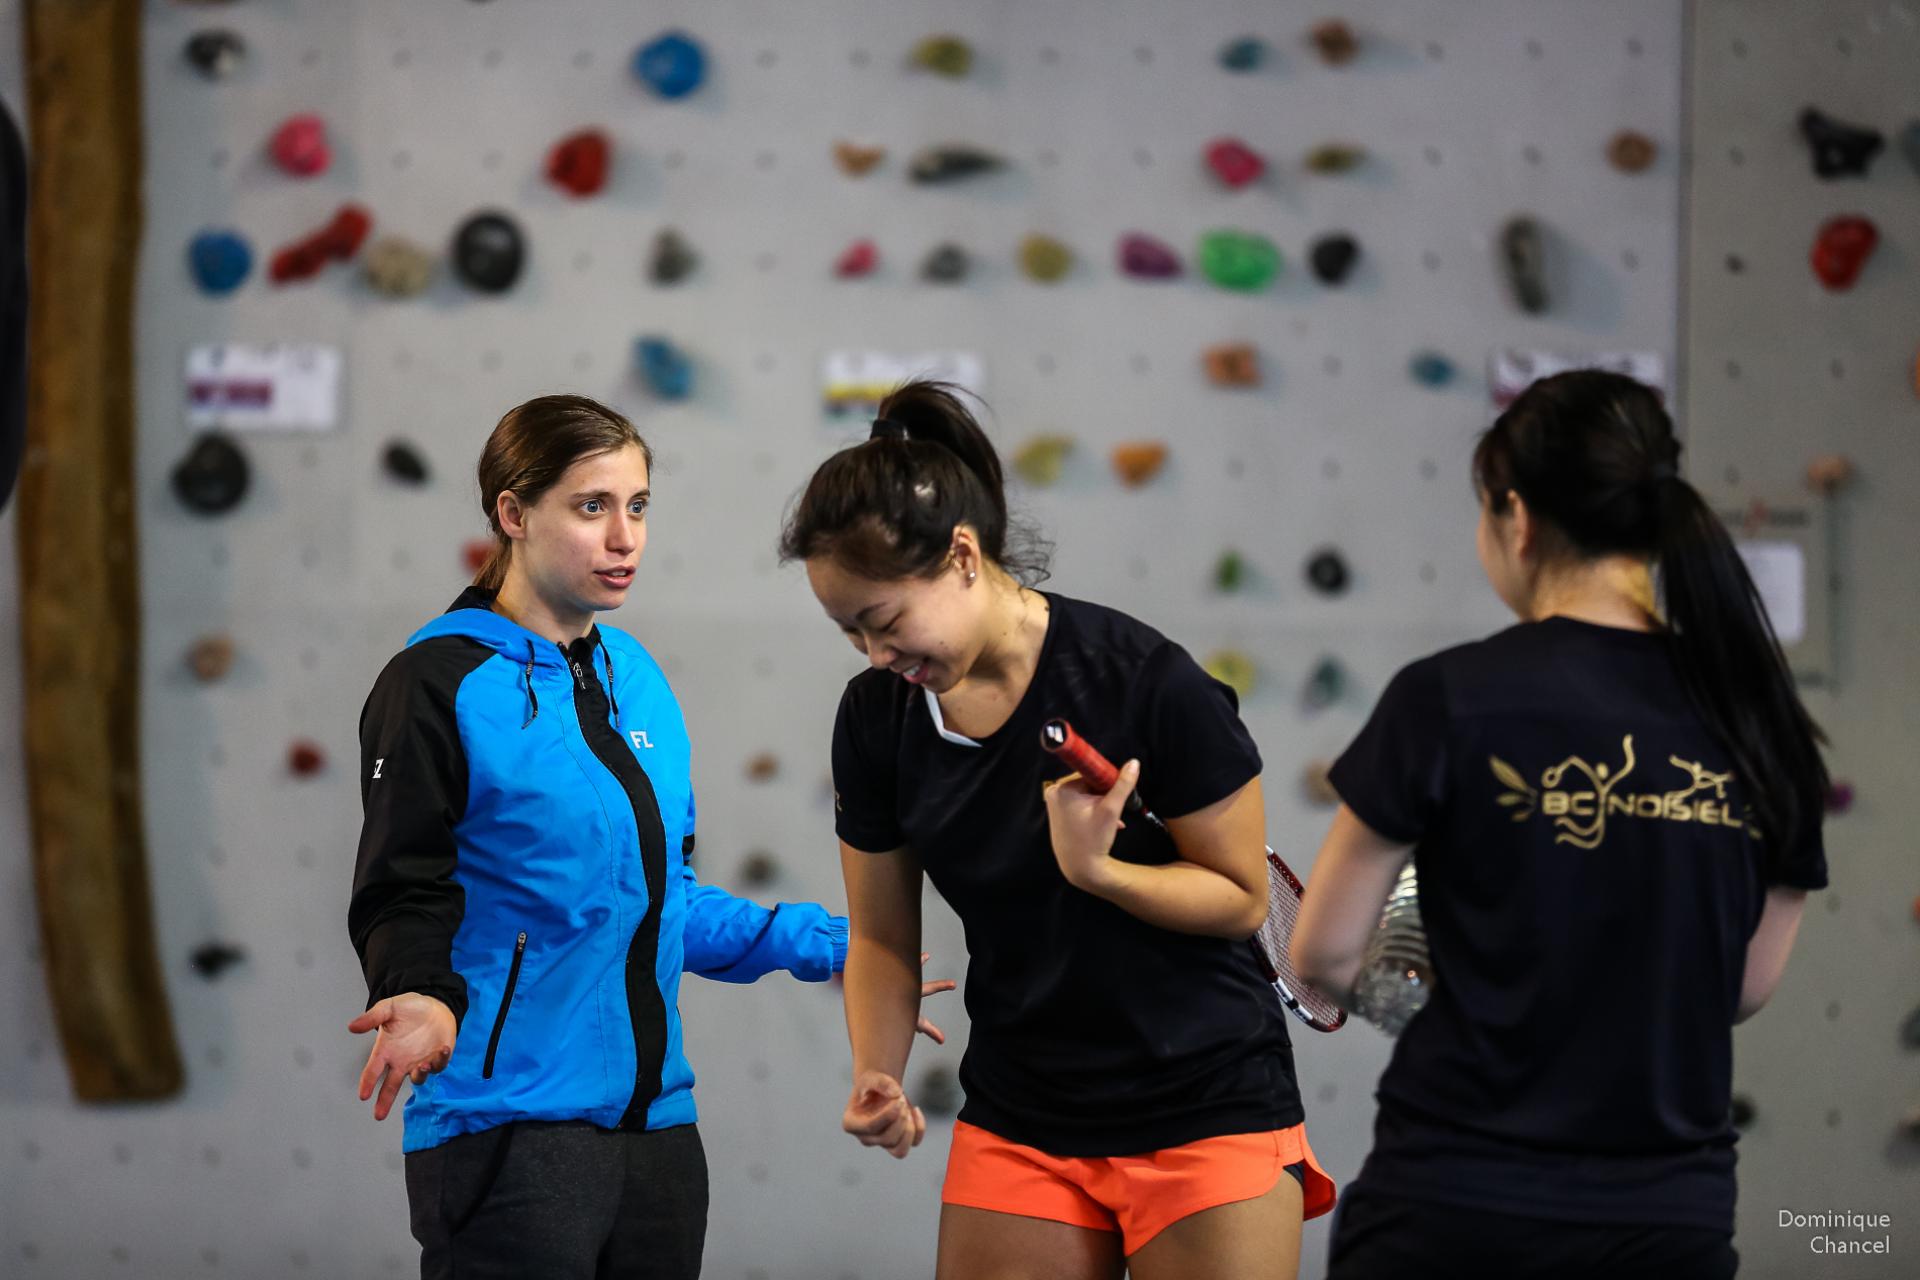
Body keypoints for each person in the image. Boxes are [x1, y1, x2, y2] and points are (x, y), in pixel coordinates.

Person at [347, 393, 945, 1279]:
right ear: (513, 514)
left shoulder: (636, 677)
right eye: (592, 507)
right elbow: (402, 886)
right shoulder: (435, 683)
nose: (624, 537)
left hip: (659, 1138)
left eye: (638, 506)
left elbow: (661, 902)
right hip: (508, 1131)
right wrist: (419, 992)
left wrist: (835, 945)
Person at [778, 381, 1336, 1280]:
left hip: (1203, 1101)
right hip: (1022, 1112)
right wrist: (876, 1069)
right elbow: (880, 934)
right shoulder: (878, 718)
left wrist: (1104, 872)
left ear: (962, 555)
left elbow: (1240, 899)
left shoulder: (1145, 682)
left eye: (885, 622)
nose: (877, 655)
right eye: (851, 633)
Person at [1291, 370, 1830, 1280]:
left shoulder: (1447, 698)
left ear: (1517, 518)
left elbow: (1324, 955)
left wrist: (1424, 990)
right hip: (1668, 1223)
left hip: (1453, 1208)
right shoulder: (1762, 720)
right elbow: (1741, 986)